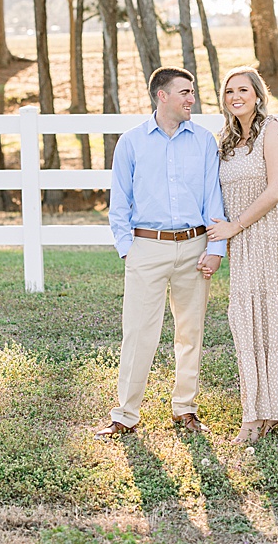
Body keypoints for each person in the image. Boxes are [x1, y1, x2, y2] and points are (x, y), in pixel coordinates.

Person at [94, 66, 229, 437]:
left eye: (193, 92)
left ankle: (185, 408)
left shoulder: (203, 141)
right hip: (146, 248)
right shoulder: (132, 142)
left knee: (191, 332)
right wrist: (129, 250)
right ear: (162, 96)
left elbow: (212, 198)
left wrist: (215, 247)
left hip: (194, 247)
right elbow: (119, 202)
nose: (192, 99)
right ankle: (125, 414)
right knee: (139, 332)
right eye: (185, 92)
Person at [203, 66, 278, 443]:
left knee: (269, 317)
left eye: (242, 90)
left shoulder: (273, 129)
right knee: (247, 320)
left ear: (257, 94)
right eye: (228, 91)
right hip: (241, 241)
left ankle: (262, 416)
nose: (235, 96)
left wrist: (234, 226)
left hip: (269, 235)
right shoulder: (224, 140)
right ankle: (266, 408)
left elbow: (276, 190)